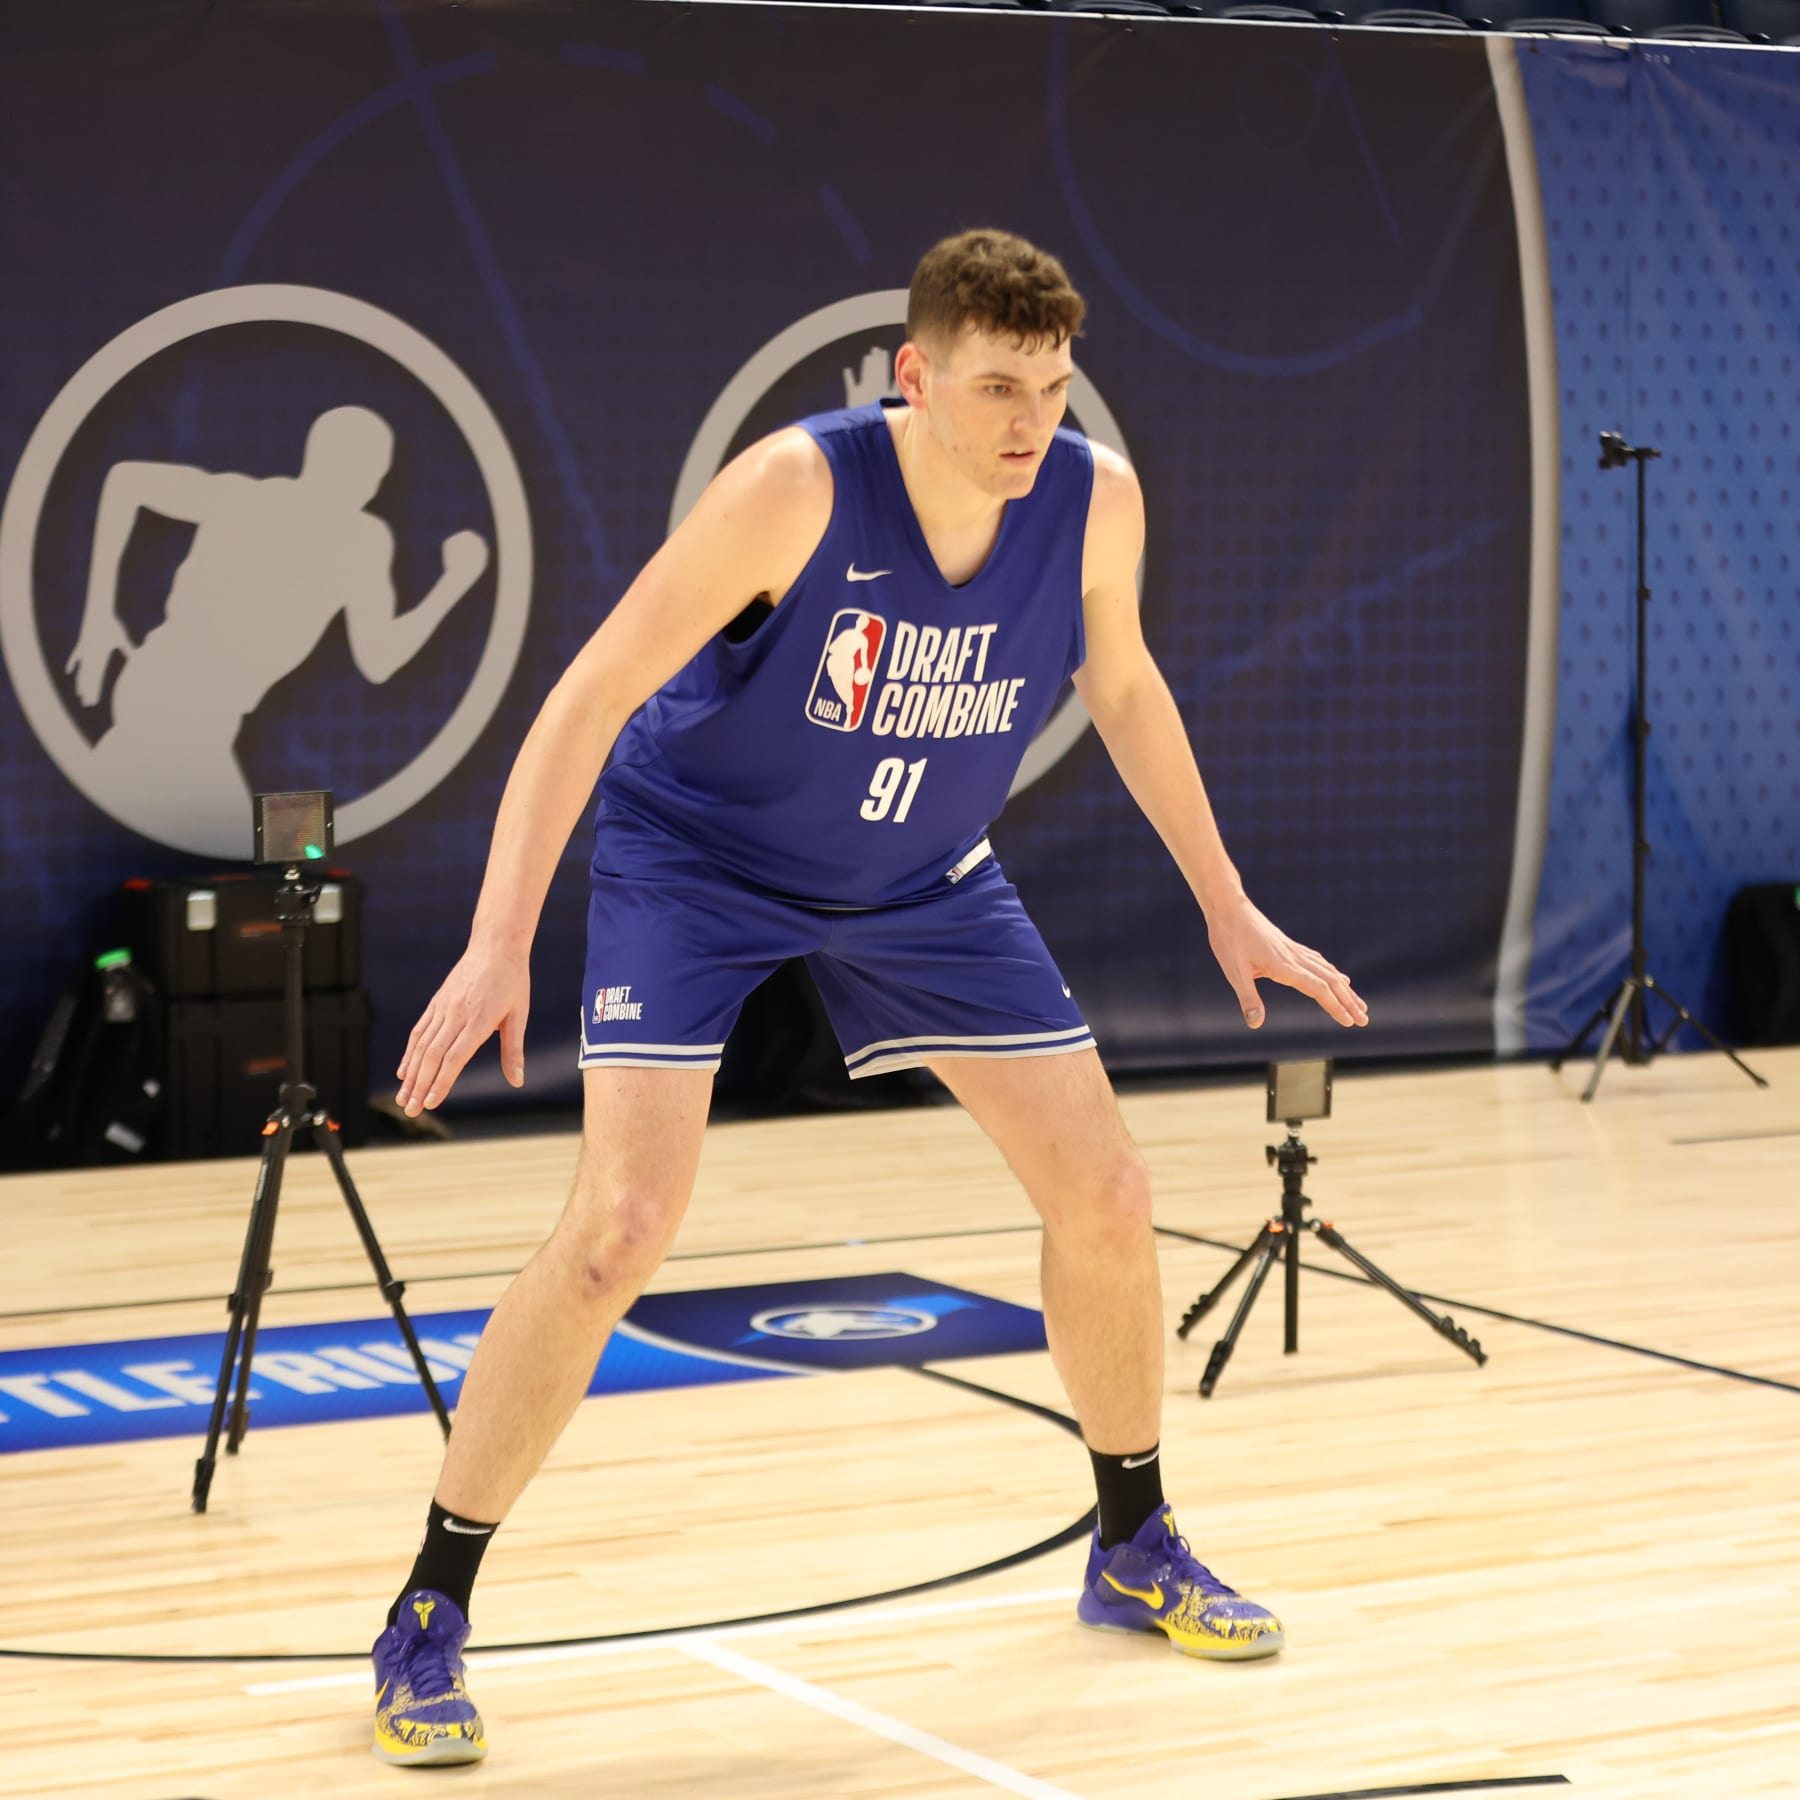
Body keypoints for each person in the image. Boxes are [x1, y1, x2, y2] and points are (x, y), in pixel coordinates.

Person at [370, 229, 1368, 1767]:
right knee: (623, 1225)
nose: (1030, 420)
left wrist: (1226, 904)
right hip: (695, 858)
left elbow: (1126, 686)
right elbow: (588, 695)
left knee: (1105, 1191)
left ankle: (1132, 1540)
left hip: (917, 874)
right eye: (995, 387)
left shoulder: (1096, 500)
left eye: (1050, 385)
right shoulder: (797, 488)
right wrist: (502, 939)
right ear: (915, 376)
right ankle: (430, 1607)